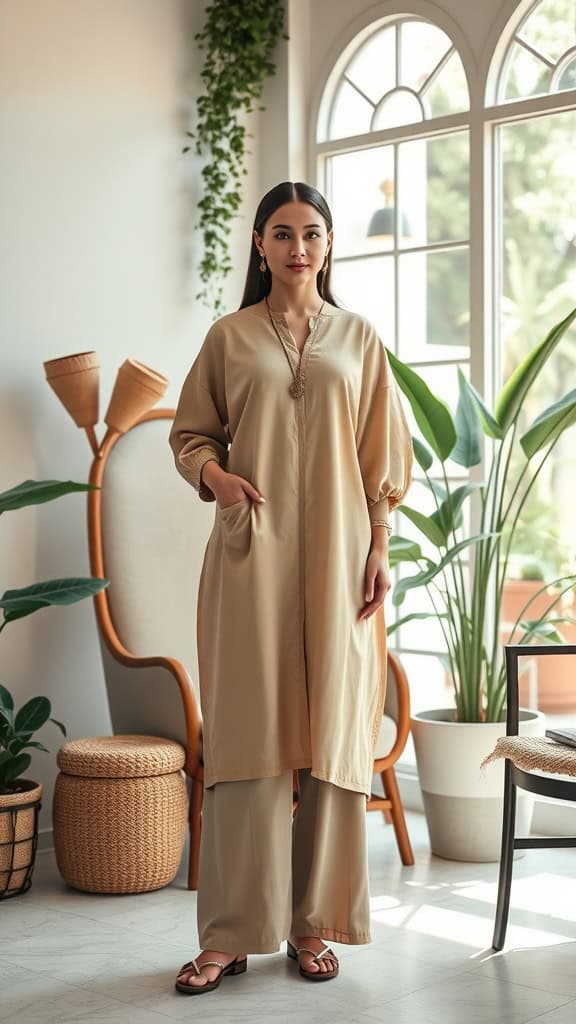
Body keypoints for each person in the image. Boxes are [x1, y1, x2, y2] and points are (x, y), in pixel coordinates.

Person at [168, 181, 412, 995]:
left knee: (336, 739)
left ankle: (315, 928)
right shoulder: (229, 337)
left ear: (331, 244)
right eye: (282, 233)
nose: (297, 247)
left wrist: (380, 548)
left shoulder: (360, 339)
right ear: (260, 246)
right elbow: (190, 432)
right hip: (252, 558)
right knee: (248, 738)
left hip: (343, 562)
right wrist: (217, 477)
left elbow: (381, 462)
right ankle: (229, 935)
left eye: (311, 233)